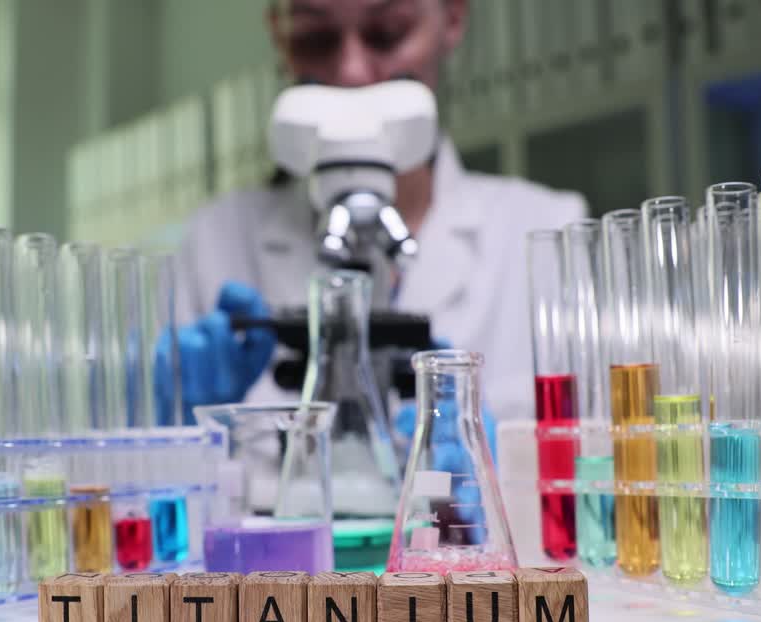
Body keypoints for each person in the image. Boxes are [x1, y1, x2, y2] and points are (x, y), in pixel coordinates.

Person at [172, 0, 587, 422]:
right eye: (315, 39)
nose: (351, 73)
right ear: (279, 34)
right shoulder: (213, 245)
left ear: (454, 17)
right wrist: (182, 430)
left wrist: (504, 467)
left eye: (388, 33)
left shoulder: (548, 232)